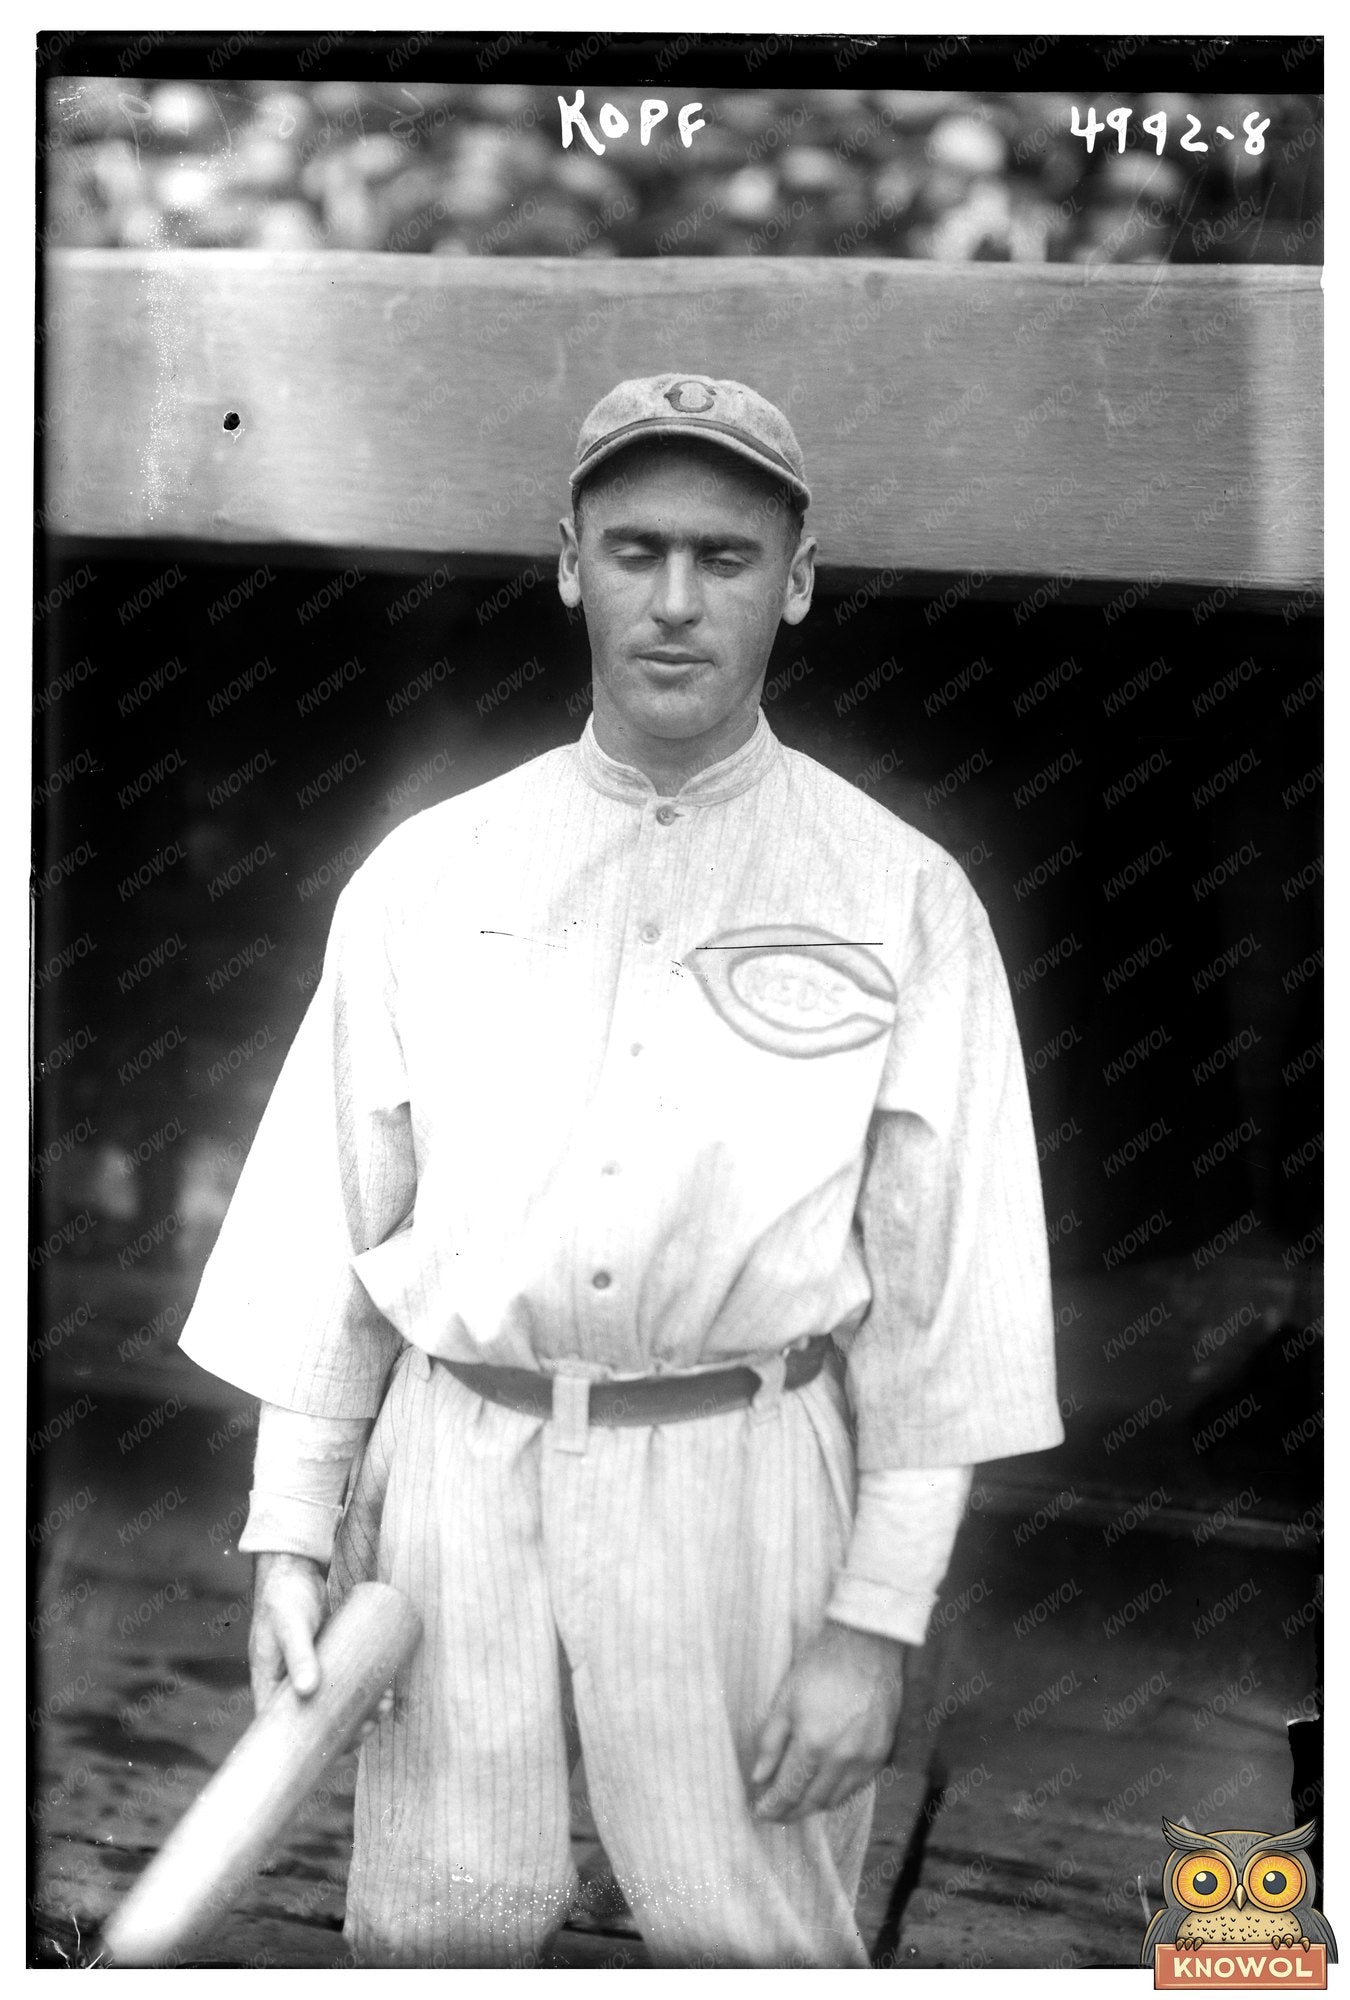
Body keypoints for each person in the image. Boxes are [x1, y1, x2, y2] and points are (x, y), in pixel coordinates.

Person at [180, 372, 1063, 1969]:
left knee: (753, 1938)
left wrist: (872, 1627)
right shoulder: (428, 872)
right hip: (456, 1473)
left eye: (724, 558)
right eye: (634, 548)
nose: (673, 600)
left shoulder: (898, 894)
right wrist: (289, 1538)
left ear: (797, 582)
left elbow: (950, 1305)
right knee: (437, 1933)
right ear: (566, 562)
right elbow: (330, 1227)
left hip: (746, 1470)